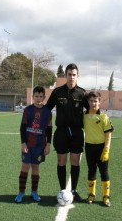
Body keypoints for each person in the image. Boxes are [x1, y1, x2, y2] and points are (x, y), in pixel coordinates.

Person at [46, 63, 88, 202]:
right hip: (61, 132)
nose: (71, 77)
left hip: (76, 132)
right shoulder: (57, 92)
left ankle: (74, 191)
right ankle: (63, 190)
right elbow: (47, 109)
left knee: (75, 161)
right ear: (65, 75)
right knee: (61, 161)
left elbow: (91, 111)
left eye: (74, 75)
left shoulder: (82, 93)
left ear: (77, 76)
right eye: (69, 74)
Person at [15, 86, 52, 203]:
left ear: (44, 97)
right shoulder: (28, 110)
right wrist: (23, 143)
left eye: (41, 96)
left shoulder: (47, 112)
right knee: (25, 166)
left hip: (40, 145)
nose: (38, 98)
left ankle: (34, 192)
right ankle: (21, 192)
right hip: (28, 144)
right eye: (36, 96)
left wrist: (48, 144)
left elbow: (50, 129)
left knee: (36, 167)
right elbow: (22, 127)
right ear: (33, 97)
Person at [83, 91, 113, 207]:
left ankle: (106, 196)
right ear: (88, 102)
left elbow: (108, 134)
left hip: (101, 148)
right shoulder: (84, 115)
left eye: (95, 101)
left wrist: (106, 150)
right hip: (89, 147)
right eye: (91, 101)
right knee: (91, 171)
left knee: (104, 172)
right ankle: (92, 194)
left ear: (99, 102)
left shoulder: (104, 116)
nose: (93, 103)